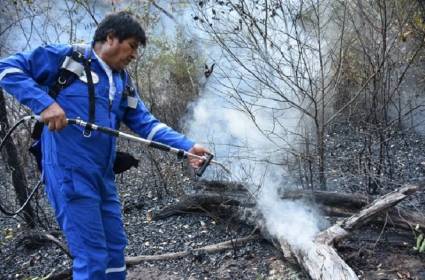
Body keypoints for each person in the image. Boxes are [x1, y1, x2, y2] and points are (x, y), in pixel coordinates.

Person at [0, 11, 209, 279]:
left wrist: (187, 146)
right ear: (111, 38)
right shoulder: (68, 59)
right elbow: (7, 68)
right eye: (132, 46)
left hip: (103, 176)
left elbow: (145, 122)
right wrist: (46, 104)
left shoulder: (122, 82)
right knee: (91, 254)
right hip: (69, 175)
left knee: (114, 249)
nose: (134, 55)